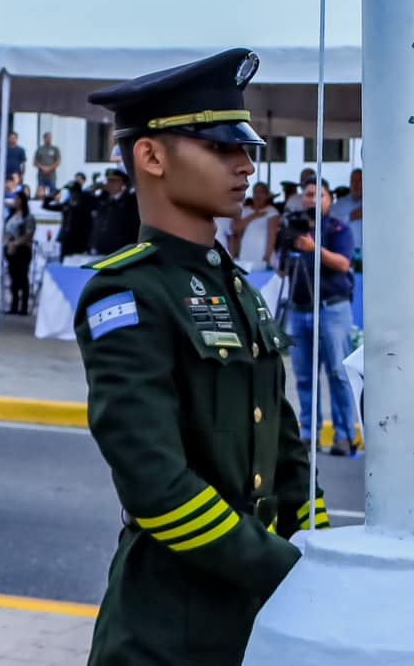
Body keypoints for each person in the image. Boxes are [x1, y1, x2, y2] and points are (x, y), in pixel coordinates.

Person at [72, 48, 323, 666]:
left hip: (259, 616)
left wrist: (316, 546)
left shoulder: (234, 287)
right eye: (218, 147)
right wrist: (286, 569)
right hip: (172, 621)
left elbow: (284, 443)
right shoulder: (129, 291)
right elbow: (154, 480)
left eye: (246, 148)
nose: (244, 164)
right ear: (151, 156)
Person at [277, 179, 358, 456]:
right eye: (308, 195)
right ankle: (309, 434)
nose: (311, 200)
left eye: (318, 195)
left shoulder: (338, 229)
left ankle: (345, 435)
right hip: (299, 311)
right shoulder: (293, 227)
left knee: (337, 373)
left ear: (329, 199)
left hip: (331, 309)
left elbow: (344, 264)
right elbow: (281, 267)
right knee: (303, 376)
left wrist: (315, 249)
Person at [4, 189, 36, 315]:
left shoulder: (28, 217)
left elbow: (29, 234)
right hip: (11, 249)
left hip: (22, 249)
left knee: (23, 277)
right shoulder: (11, 216)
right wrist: (7, 243)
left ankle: (24, 306)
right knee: (14, 279)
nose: (15, 202)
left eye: (17, 199)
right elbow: (6, 231)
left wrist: (15, 243)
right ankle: (14, 304)